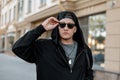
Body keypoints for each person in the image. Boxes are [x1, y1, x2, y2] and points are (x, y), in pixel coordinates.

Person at [12, 11, 93, 80]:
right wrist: (42, 27)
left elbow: (88, 72)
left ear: (75, 29)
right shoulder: (43, 47)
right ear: (57, 27)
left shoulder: (84, 50)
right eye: (62, 25)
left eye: (70, 25)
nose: (66, 28)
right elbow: (18, 48)